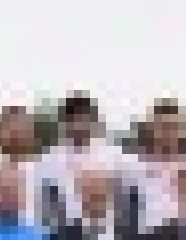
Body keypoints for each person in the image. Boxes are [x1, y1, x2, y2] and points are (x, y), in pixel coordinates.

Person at [39, 93, 130, 226]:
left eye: (83, 120)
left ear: (93, 121)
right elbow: (46, 200)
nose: (78, 126)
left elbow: (125, 195)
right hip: (66, 227)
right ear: (64, 123)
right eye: (73, 121)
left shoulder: (113, 154)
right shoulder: (51, 158)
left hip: (108, 226)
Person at [0, 106, 45, 226]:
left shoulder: (44, 170)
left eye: (20, 128)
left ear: (30, 132)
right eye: (9, 128)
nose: (15, 134)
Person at [127, 99, 186, 232]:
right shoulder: (131, 167)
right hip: (144, 238)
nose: (168, 133)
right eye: (163, 127)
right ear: (151, 130)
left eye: (174, 127)